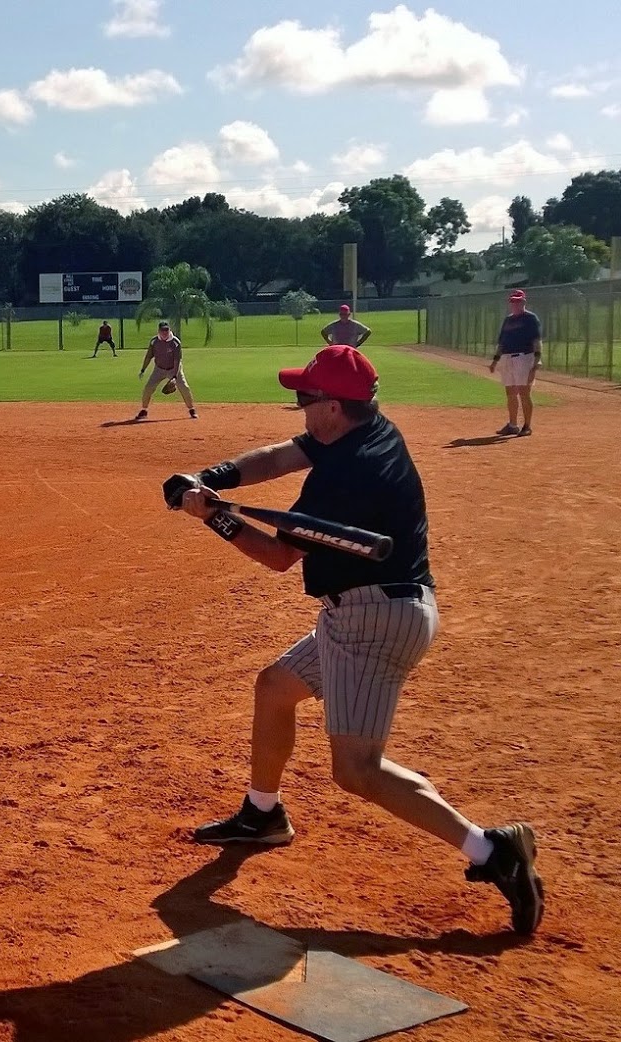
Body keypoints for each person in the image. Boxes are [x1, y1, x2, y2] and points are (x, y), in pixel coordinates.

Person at [161, 344, 544, 936]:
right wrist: (210, 480)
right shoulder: (367, 427)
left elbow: (278, 555)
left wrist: (213, 517)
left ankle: (492, 850)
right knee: (275, 687)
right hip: (368, 610)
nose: (299, 408)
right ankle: (263, 814)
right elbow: (282, 455)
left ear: (334, 407)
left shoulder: (346, 479)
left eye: (305, 400)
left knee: (358, 769)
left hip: (374, 620)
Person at [489, 289, 540, 437]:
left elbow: (536, 340)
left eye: (518, 301)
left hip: (524, 357)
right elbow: (502, 343)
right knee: (510, 392)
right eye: (513, 301)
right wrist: (495, 361)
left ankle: (527, 426)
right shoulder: (508, 320)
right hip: (507, 358)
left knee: (524, 392)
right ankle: (512, 425)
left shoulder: (530, 318)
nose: (516, 304)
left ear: (524, 301)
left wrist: (537, 360)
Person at [135, 320, 196, 420]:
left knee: (184, 387)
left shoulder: (175, 343)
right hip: (159, 369)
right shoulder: (154, 342)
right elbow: (148, 356)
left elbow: (177, 360)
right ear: (158, 331)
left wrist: (175, 377)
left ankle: (191, 409)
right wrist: (143, 370)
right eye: (162, 330)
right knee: (148, 388)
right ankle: (144, 410)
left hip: (173, 369)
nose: (165, 332)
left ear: (169, 330)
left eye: (166, 330)